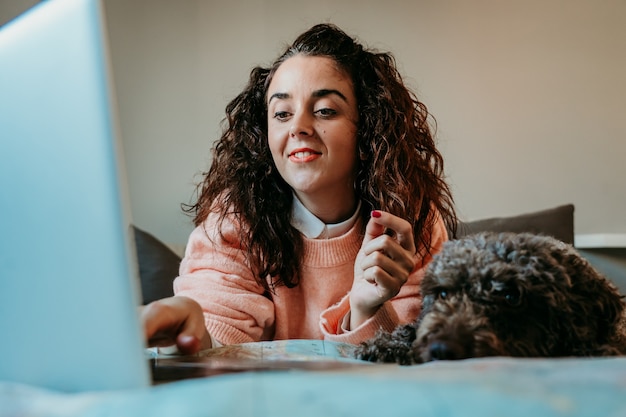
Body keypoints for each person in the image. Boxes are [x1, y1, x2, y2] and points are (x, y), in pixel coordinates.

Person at [141, 23, 457, 355]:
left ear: (367, 129)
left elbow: (422, 354)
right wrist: (193, 332)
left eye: (324, 111)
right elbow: (216, 327)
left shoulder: (410, 219)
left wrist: (366, 309)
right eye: (281, 113)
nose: (299, 128)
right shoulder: (235, 217)